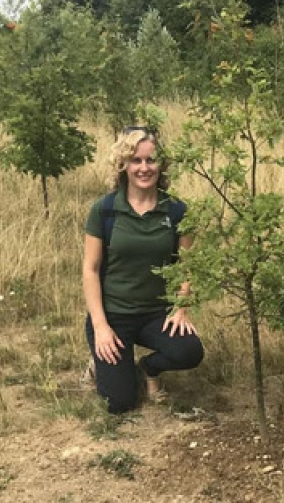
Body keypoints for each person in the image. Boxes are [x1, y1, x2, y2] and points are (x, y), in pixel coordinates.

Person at [82, 128, 203, 413]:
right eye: (136, 160)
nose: (144, 168)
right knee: (120, 403)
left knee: (190, 351)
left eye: (151, 161)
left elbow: (187, 265)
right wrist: (101, 327)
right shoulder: (105, 210)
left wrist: (181, 308)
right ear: (124, 164)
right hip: (114, 315)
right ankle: (99, 363)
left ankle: (149, 368)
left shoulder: (177, 211)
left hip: (155, 314)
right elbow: (91, 269)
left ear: (162, 165)